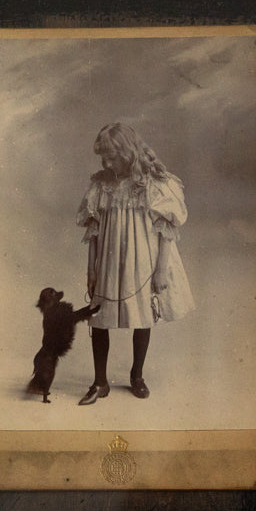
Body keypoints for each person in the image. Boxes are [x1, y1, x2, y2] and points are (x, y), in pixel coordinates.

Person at [76, 122, 194, 405]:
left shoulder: (154, 183)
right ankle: (99, 381)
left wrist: (161, 268)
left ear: (128, 152)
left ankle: (137, 375)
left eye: (111, 156)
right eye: (103, 156)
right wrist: (92, 269)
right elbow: (93, 231)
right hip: (108, 258)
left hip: (143, 257)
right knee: (99, 315)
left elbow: (167, 229)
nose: (106, 162)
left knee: (142, 312)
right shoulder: (101, 184)